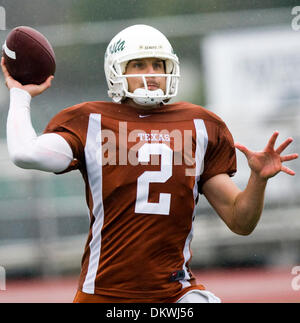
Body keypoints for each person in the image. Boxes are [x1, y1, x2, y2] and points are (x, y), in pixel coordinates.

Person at [2, 24, 298, 303]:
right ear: (117, 71)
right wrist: (19, 94)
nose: (152, 73)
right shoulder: (90, 121)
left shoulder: (200, 125)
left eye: (158, 65)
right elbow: (25, 153)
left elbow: (240, 220)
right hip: (104, 292)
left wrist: (258, 180)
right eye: (140, 64)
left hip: (174, 292)